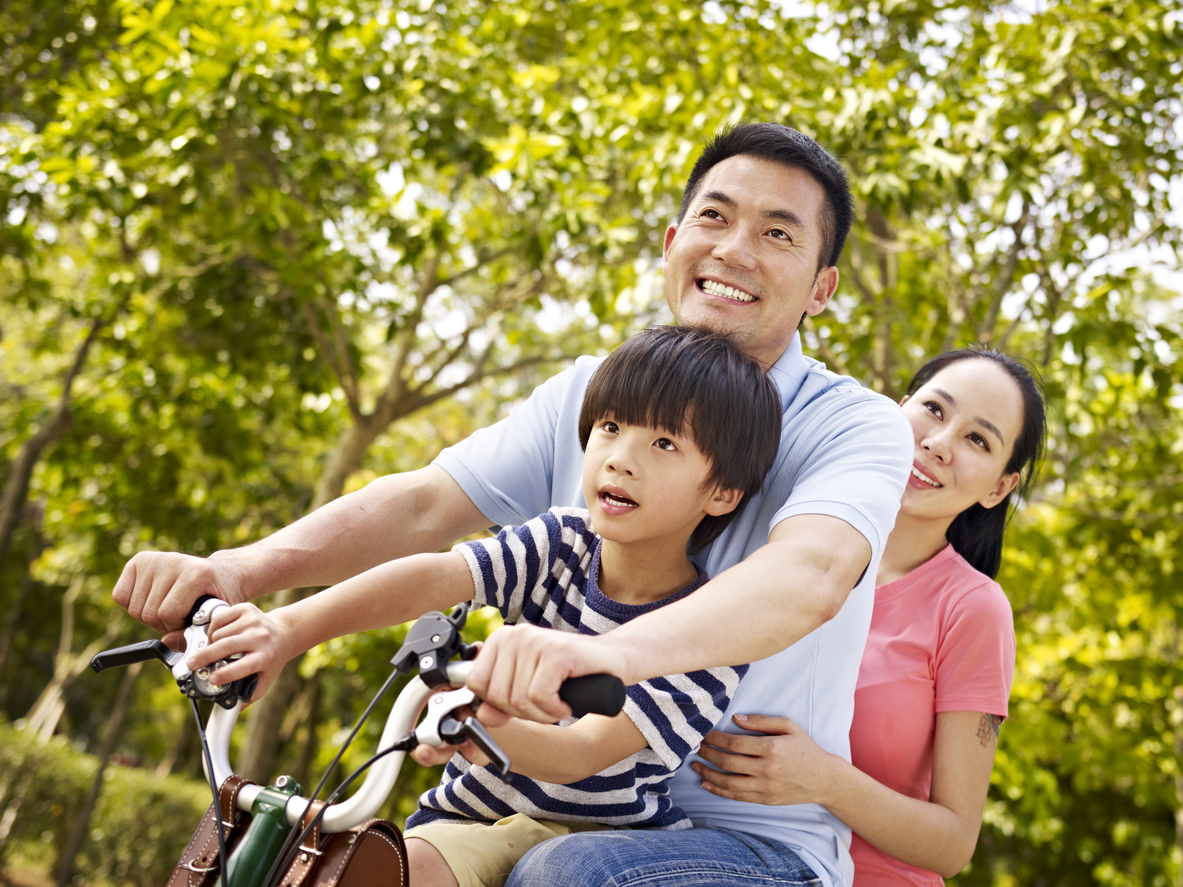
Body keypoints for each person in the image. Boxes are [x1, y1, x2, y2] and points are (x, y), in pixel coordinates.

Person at [113, 122, 915, 887]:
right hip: (509, 804)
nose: (734, 249)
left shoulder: (853, 423)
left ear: (821, 288)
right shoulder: (597, 396)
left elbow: (809, 574)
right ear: (672, 245)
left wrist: (604, 657)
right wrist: (240, 575)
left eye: (778, 233)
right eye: (714, 215)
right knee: (347, 858)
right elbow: (428, 510)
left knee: (558, 872)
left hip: (748, 844)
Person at [186, 325, 783, 887]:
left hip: (599, 843)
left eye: (663, 442)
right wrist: (289, 629)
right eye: (609, 426)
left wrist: (478, 726)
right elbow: (437, 576)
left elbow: (582, 752)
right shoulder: (559, 543)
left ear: (723, 491)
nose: (620, 457)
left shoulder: (710, 628)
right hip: (467, 820)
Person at [687, 348, 1047, 886]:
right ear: (895, 409)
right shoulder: (779, 537)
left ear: (1000, 486)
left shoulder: (972, 609)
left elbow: (953, 844)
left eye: (978, 440)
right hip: (695, 850)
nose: (938, 444)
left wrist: (827, 780)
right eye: (934, 410)